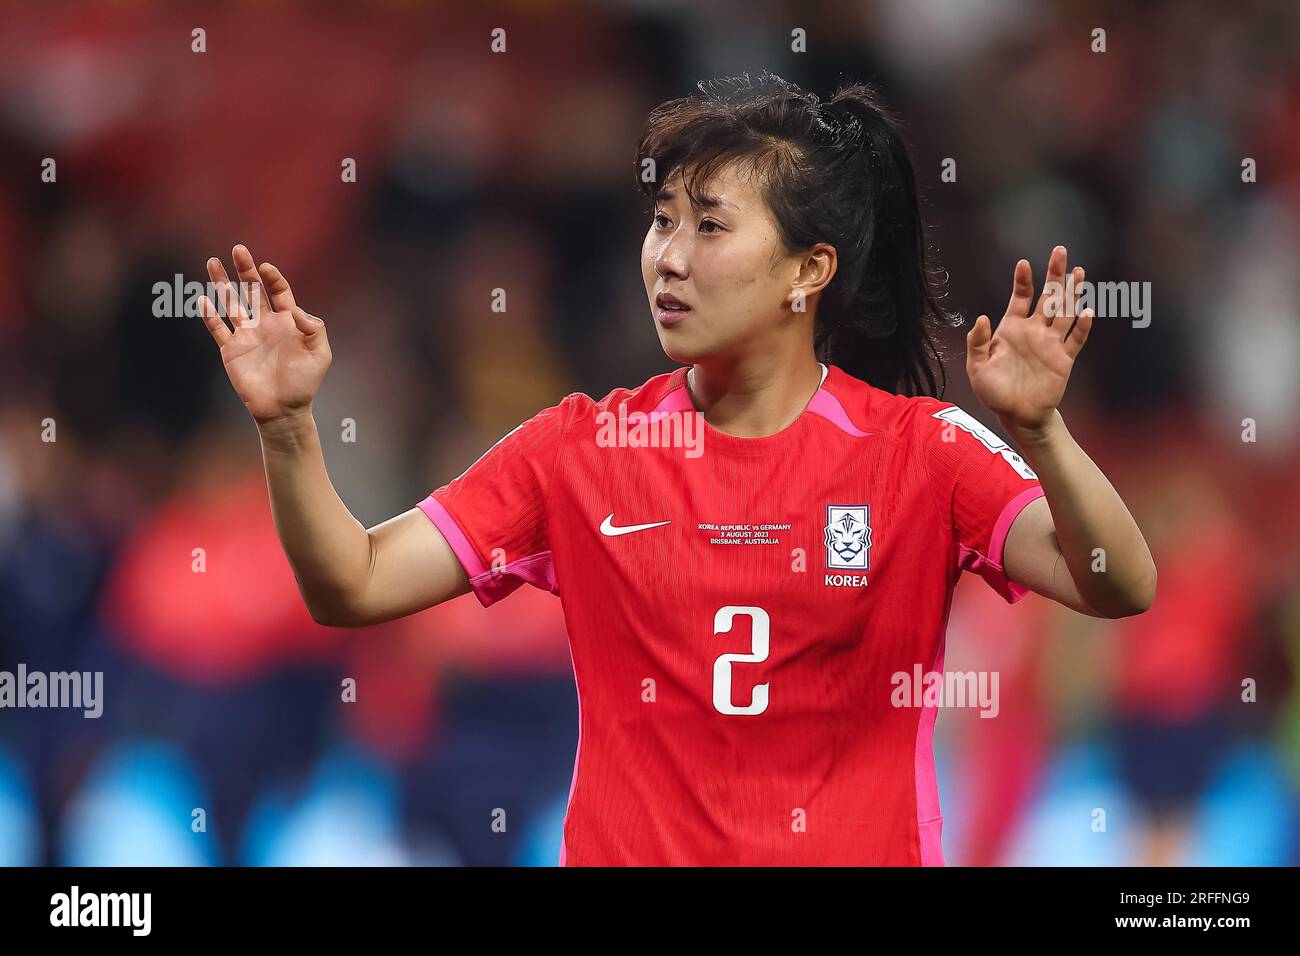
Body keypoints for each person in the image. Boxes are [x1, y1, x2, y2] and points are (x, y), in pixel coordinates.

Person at [196, 72, 1156, 865]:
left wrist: (1043, 435)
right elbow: (352, 586)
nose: (668, 258)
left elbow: (1116, 583)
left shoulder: (922, 450)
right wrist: (287, 427)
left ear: (807, 272)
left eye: (709, 226)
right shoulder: (578, 449)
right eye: (662, 220)